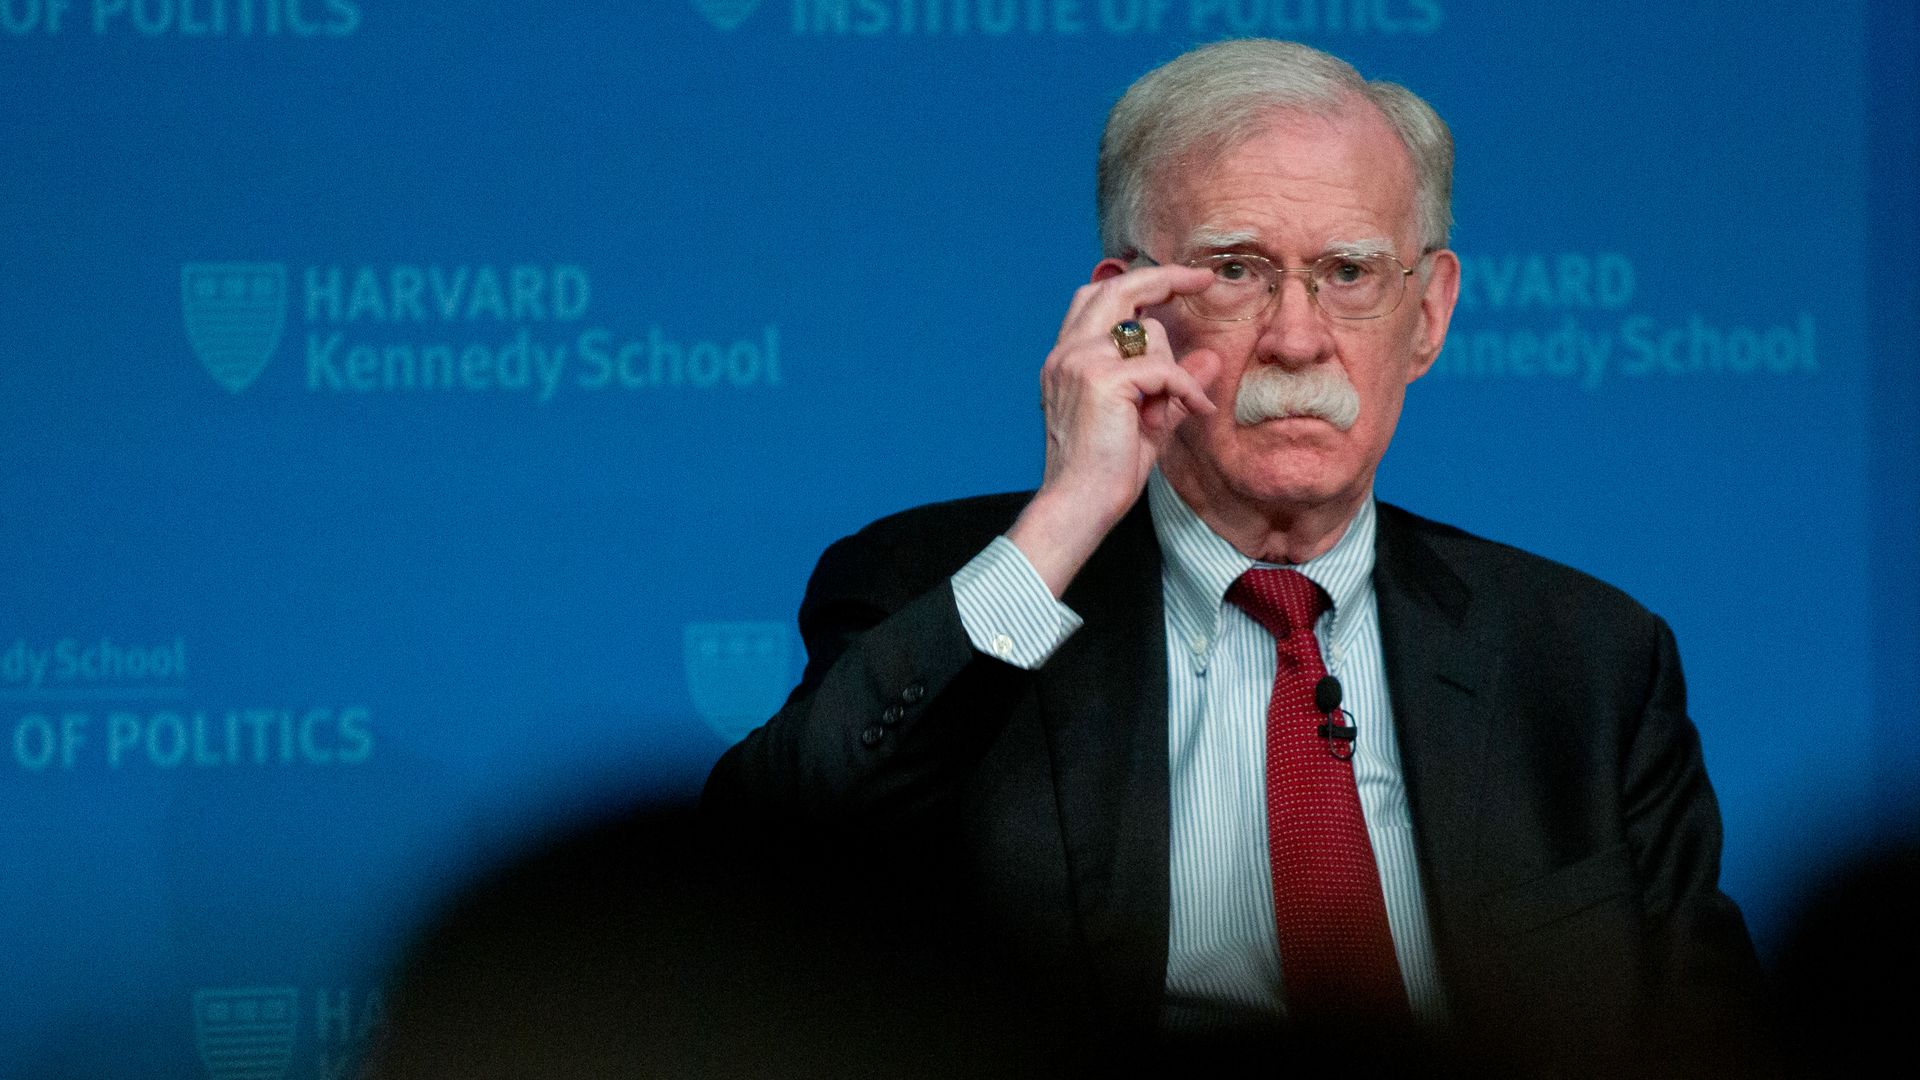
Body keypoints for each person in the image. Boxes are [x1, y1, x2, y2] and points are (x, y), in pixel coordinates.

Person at [705, 39, 1763, 1076]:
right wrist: (1069, 513)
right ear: (1128, 311)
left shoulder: (1585, 662)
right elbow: (750, 886)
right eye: (1236, 271)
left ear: (1428, 315)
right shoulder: (941, 591)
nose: (1297, 338)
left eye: (1349, 272)